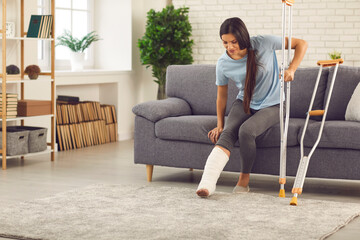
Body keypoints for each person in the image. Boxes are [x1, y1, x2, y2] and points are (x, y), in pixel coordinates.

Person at [196, 17, 308, 198]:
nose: (230, 47)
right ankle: (207, 184)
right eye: (225, 43)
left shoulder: (263, 43)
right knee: (228, 132)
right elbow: (221, 96)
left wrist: (292, 69)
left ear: (243, 36)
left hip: (274, 104)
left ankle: (243, 180)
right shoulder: (223, 63)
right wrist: (219, 124)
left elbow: (301, 44)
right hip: (245, 102)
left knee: (246, 131)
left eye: (234, 41)